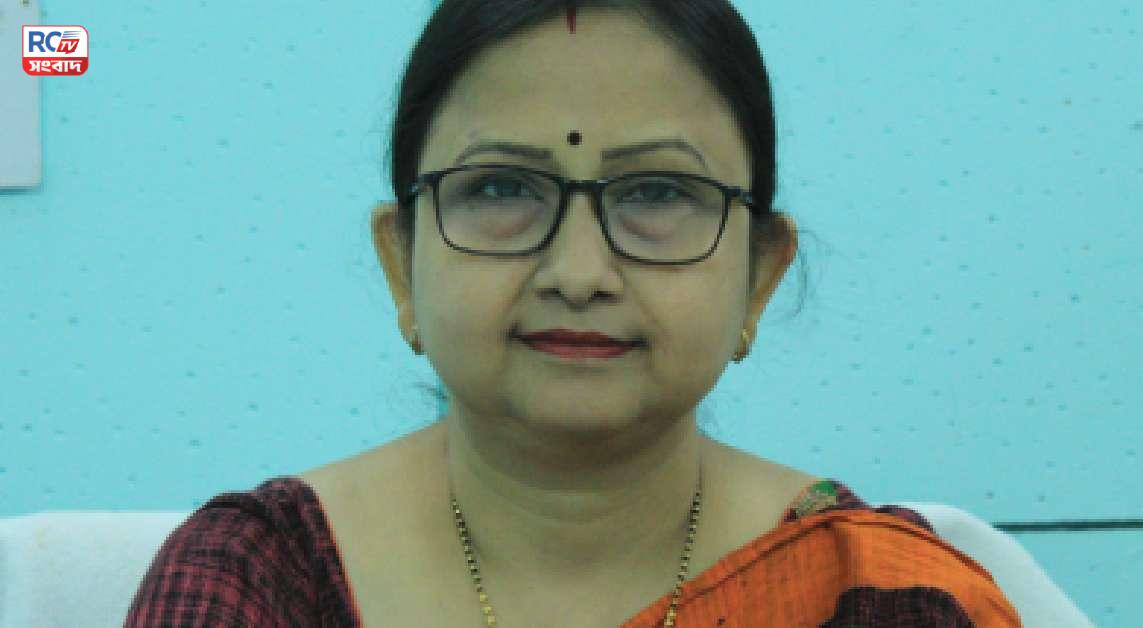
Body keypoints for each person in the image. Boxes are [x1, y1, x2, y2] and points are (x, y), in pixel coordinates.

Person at [125, 1, 1021, 626]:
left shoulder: (880, 599)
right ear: (401, 263)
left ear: (759, 276)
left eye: (659, 191)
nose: (580, 272)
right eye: (501, 188)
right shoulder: (258, 581)